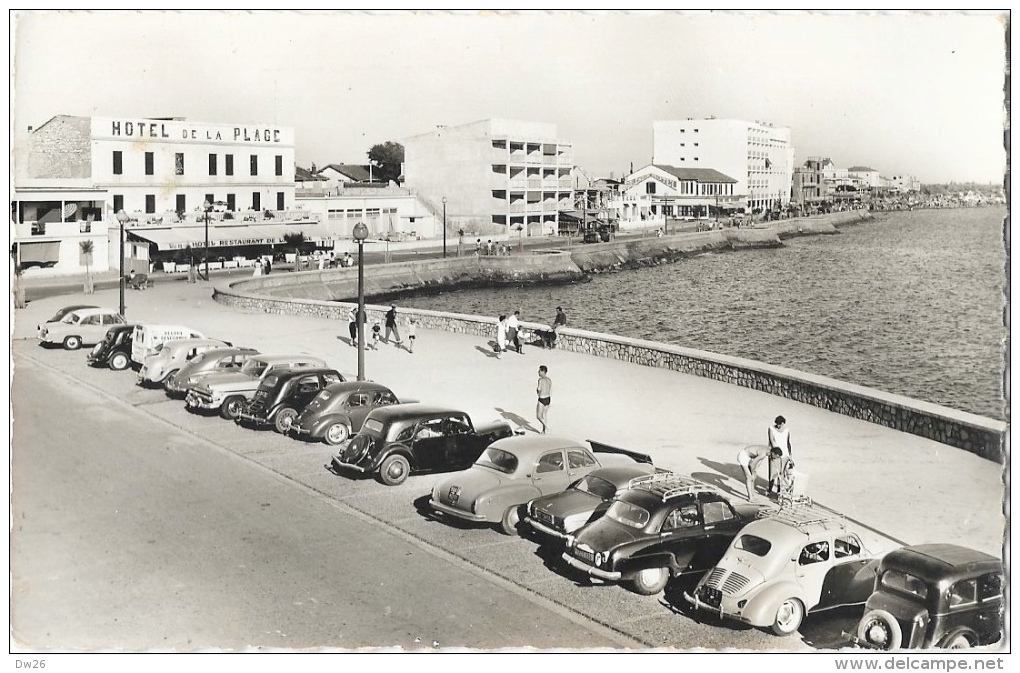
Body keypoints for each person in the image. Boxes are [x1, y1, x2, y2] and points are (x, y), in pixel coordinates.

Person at [767, 415, 793, 498]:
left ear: (783, 423)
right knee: (772, 472)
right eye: (777, 424)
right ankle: (770, 490)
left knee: (781, 474)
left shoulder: (787, 430)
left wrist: (790, 455)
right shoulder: (771, 429)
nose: (778, 426)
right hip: (775, 453)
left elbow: (788, 443)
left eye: (780, 424)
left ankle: (779, 491)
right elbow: (772, 441)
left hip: (785, 454)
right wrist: (775, 452)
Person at [536, 365, 552, 434]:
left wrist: (537, 391)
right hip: (548, 398)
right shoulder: (549, 380)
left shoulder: (540, 380)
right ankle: (544, 431)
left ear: (543, 371)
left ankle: (547, 427)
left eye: (539, 371)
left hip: (542, 398)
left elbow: (539, 389)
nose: (538, 372)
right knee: (544, 415)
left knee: (539, 416)